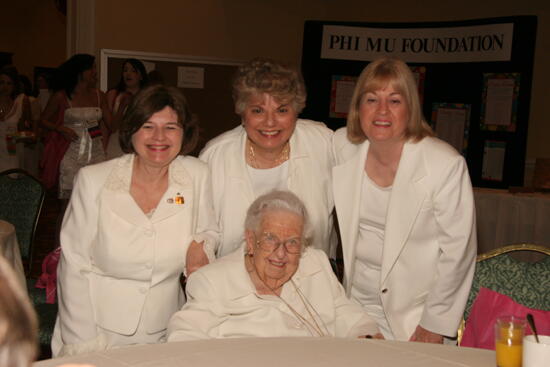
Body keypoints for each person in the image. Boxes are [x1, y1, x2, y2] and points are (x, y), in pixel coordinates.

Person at [52, 85, 219, 356]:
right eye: (148, 126)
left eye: (171, 127)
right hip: (96, 328)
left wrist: (202, 244)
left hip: (165, 329)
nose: (159, 137)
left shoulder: (196, 175)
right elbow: (74, 264)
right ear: (132, 130)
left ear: (184, 132)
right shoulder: (94, 180)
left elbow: (209, 229)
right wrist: (84, 342)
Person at [332, 57, 477, 343]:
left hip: (416, 318)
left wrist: (434, 325)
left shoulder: (444, 164)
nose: (382, 110)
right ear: (358, 107)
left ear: (410, 107)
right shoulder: (341, 146)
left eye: (395, 100)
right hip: (353, 310)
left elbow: (458, 254)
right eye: (371, 99)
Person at [167, 190, 379, 340]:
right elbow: (184, 333)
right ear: (251, 240)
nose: (281, 253)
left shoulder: (315, 264)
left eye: (292, 242)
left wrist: (366, 336)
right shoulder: (213, 280)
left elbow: (351, 317)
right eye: (270, 238)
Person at [199, 57, 335, 258]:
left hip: (310, 279)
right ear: (242, 113)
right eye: (257, 110)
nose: (270, 122)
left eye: (282, 110)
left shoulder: (323, 143)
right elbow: (202, 230)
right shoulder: (215, 156)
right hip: (235, 280)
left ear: (296, 111)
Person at [40, 54, 111, 198]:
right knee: (68, 204)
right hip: (71, 155)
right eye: (92, 68)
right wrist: (59, 128)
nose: (95, 72)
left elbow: (111, 125)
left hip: (96, 155)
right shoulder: (61, 96)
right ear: (80, 72)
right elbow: (42, 120)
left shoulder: (100, 95)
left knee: (96, 201)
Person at [105, 58, 149, 159]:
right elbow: (111, 127)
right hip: (116, 144)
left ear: (141, 76)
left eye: (133, 71)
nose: (128, 74)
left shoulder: (147, 96)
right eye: (125, 70)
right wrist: (122, 106)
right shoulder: (113, 94)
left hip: (140, 144)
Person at [0, 66, 32, 172]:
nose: (5, 87)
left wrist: (16, 136)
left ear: (14, 86)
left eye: (9, 83)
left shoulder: (18, 106)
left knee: (10, 182)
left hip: (11, 152)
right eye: (2, 82)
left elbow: (28, 134)